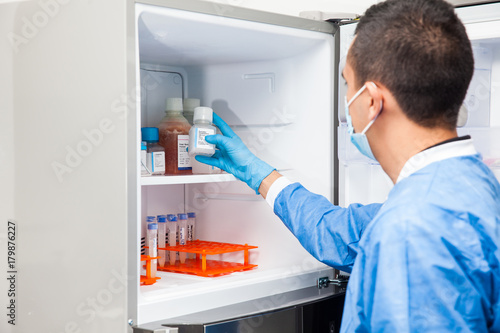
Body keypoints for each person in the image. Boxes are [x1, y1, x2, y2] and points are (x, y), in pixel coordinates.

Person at [196, 0, 500, 331]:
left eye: (347, 84)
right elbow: (339, 232)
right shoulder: (470, 184)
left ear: (371, 101)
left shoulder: (412, 230)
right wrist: (258, 174)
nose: (346, 102)